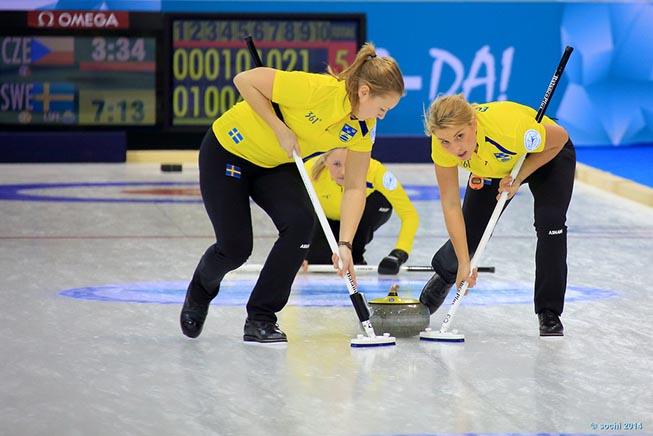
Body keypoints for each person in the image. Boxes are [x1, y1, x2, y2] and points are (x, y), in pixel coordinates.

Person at [180, 43, 404, 343]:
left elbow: (353, 187)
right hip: (229, 152)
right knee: (235, 249)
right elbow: (244, 80)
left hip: (275, 163)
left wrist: (346, 244)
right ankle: (200, 291)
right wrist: (278, 127)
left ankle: (261, 317)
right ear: (364, 92)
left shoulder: (364, 128)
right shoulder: (317, 89)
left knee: (301, 224)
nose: (383, 116)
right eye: (383, 108)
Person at [420, 94, 575, 336]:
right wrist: (464, 262)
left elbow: (561, 138)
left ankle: (549, 311)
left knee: (550, 223)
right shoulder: (441, 145)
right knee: (470, 234)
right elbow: (450, 204)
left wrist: (520, 176)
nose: (455, 148)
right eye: (445, 142)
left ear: (473, 123)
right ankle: (445, 276)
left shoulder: (508, 128)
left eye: (460, 136)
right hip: (496, 167)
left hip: (548, 156)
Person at [302, 148, 419, 274]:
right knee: (319, 261)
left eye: (350, 164)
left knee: (380, 200)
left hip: (362, 218)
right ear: (325, 160)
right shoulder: (308, 170)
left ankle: (356, 253)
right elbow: (295, 212)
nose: (343, 172)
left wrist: (399, 253)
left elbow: (409, 215)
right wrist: (298, 251)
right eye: (336, 164)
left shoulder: (375, 170)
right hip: (326, 221)